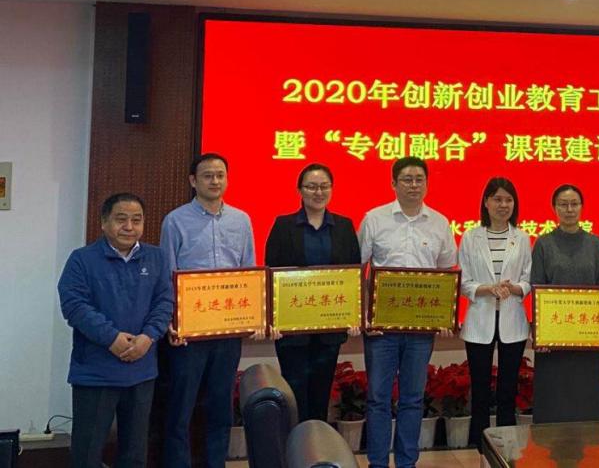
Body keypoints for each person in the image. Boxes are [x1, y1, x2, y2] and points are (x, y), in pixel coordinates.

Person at [160, 153, 263, 468]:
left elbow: (249, 272)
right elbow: (167, 275)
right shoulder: (175, 221)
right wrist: (172, 322)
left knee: (220, 407)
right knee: (180, 409)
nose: (214, 181)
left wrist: (254, 317)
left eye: (220, 175)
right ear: (193, 181)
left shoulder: (241, 220)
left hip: (228, 330)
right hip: (189, 334)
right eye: (207, 175)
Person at [58, 193, 173, 468]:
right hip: (95, 372)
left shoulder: (156, 257)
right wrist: (111, 338)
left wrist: (148, 336)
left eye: (136, 220)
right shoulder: (82, 259)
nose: (129, 227)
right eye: (121, 219)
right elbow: (74, 305)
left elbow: (165, 301)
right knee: (87, 453)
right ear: (104, 222)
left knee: (135, 454)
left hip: (141, 370)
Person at [358, 157, 457, 468]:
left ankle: (406, 463)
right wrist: (364, 317)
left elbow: (446, 274)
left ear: (426, 183)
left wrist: (444, 317)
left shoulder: (439, 223)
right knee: (378, 398)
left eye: (419, 179)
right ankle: (377, 463)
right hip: (382, 329)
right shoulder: (374, 219)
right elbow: (359, 270)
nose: (414, 185)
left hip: (420, 330)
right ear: (393, 183)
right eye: (407, 179)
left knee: (413, 399)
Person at [265, 163, 361, 422]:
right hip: (292, 330)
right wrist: (273, 320)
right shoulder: (283, 225)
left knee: (321, 393)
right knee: (294, 395)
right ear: (299, 190)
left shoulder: (344, 226)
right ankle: (295, 443)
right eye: (311, 187)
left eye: (324, 186)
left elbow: (353, 274)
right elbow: (270, 275)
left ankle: (316, 442)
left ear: (331, 189)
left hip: (330, 329)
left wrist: (353, 315)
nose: (318, 192)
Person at [459, 177, 532, 450]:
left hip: (512, 320)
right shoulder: (470, 237)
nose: (503, 205)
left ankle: (506, 444)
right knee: (480, 387)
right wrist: (487, 288)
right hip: (480, 319)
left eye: (508, 200)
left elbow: (529, 279)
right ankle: (480, 443)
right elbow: (464, 281)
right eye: (497, 199)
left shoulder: (522, 238)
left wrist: (515, 288)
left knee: (508, 388)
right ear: (486, 202)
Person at [531, 184, 599, 424]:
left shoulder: (596, 244)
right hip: (553, 338)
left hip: (587, 337)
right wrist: (540, 333)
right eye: (563, 204)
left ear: (582, 207)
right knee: (553, 402)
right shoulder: (543, 244)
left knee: (584, 402)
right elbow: (537, 287)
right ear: (554, 208)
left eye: (574, 204)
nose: (569, 209)